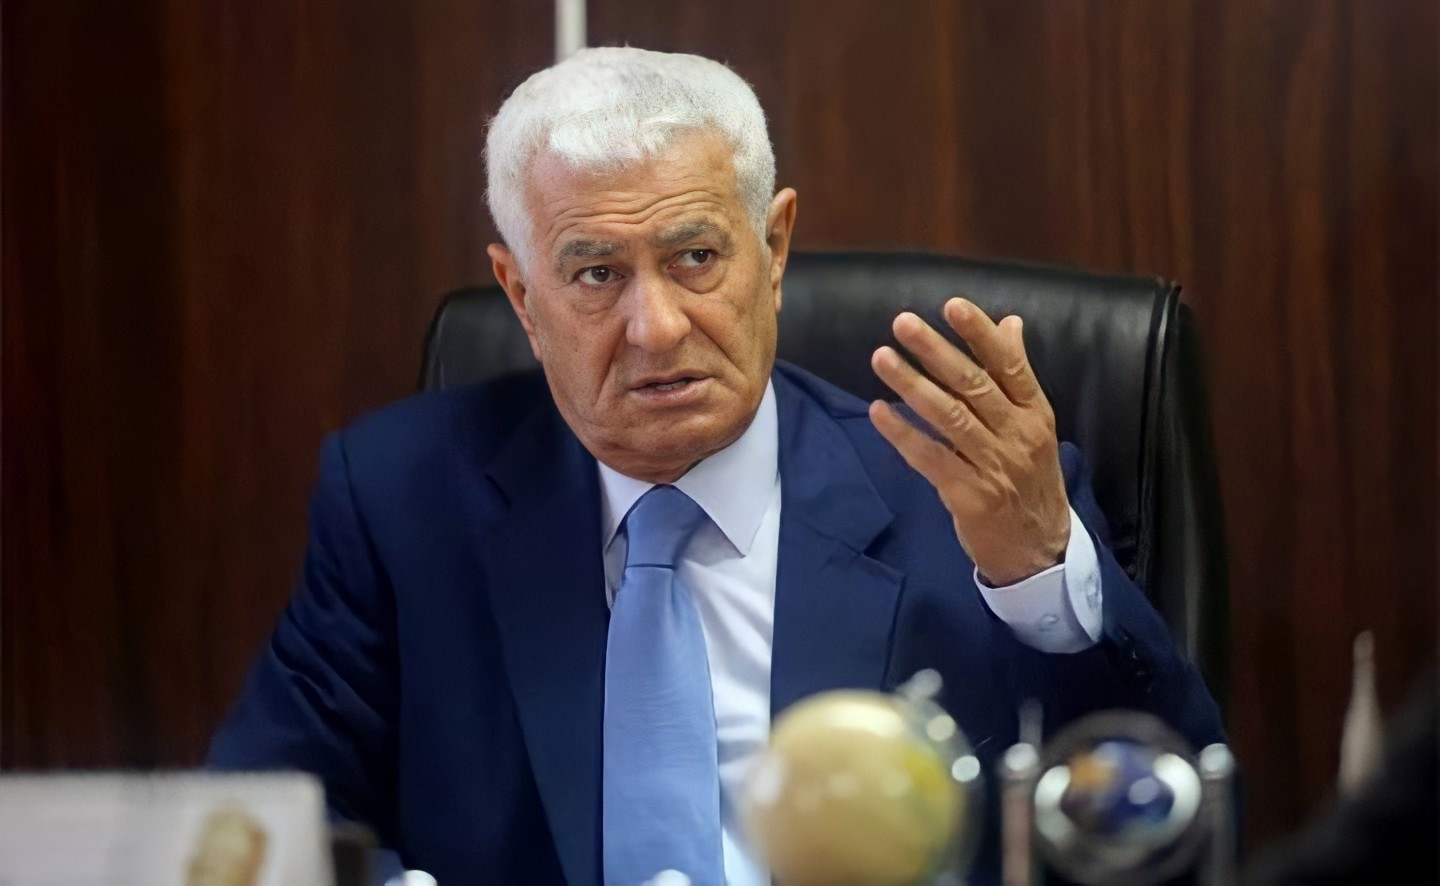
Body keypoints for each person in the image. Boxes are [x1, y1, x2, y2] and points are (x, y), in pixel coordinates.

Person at [208, 47, 1222, 885]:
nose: (656, 327)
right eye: (596, 273)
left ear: (773, 249)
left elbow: (1171, 830)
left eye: (695, 258)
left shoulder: (960, 494)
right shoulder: (401, 499)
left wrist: (1037, 572)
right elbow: (261, 827)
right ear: (520, 295)